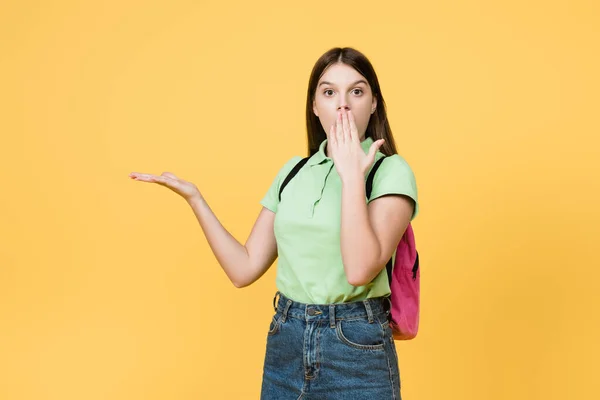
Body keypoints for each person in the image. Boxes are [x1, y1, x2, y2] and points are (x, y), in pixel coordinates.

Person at [129, 46, 418, 400]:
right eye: (329, 92)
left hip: (355, 347)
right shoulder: (293, 171)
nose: (342, 104)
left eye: (356, 91)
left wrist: (352, 177)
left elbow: (359, 270)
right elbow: (244, 269)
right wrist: (195, 199)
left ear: (373, 103)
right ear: (315, 107)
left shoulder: (391, 171)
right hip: (287, 339)